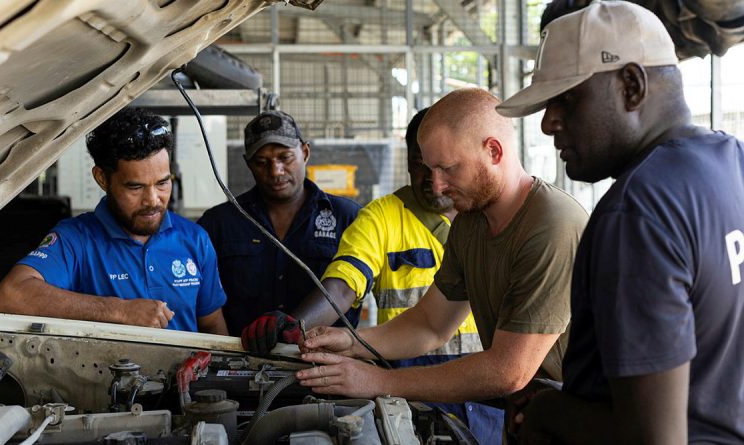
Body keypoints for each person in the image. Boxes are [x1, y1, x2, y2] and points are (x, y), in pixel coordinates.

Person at [496, 2, 744, 443]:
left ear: (631, 85)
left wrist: (549, 412)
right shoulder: (732, 165)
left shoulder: (636, 213)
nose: (549, 123)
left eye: (566, 99)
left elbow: (654, 438)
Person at [295, 88, 588, 440]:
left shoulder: (551, 225)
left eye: (448, 168)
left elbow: (509, 369)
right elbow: (431, 323)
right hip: (528, 418)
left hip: (579, 421)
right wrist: (353, 342)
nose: (437, 185)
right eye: (429, 168)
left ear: (493, 151)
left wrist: (379, 380)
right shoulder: (471, 223)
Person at [241, 108, 492, 440]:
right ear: (407, 159)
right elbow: (343, 285)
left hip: (490, 399)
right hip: (412, 400)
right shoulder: (381, 217)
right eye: (421, 164)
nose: (433, 180)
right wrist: (295, 326)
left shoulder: (496, 221)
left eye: (445, 167)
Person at [0, 107, 228, 334]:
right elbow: (11, 295)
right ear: (102, 178)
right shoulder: (76, 239)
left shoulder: (195, 239)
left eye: (162, 183)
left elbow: (212, 327)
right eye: (135, 186)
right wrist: (119, 311)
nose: (153, 200)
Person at [197, 110, 361, 338]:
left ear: (305, 153)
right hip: (244, 364)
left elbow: (347, 291)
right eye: (262, 162)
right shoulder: (219, 224)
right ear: (248, 164)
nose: (275, 171)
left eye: (285, 158)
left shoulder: (347, 217)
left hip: (326, 364)